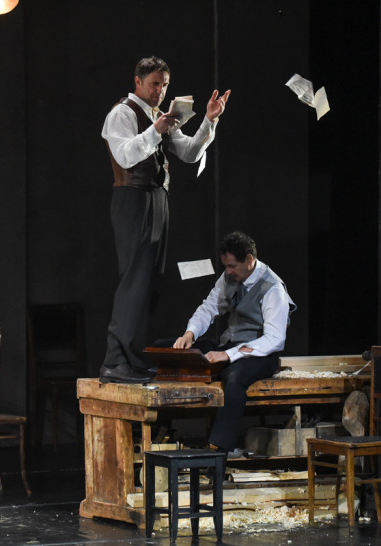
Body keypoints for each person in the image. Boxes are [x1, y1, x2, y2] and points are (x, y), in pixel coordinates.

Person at [99, 56, 231, 384]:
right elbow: (125, 155)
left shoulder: (157, 115)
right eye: (155, 84)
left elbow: (189, 153)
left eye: (165, 84)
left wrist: (209, 121)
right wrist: (155, 131)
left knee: (150, 284)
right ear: (138, 82)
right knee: (134, 281)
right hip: (133, 198)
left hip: (157, 198)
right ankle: (115, 362)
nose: (160, 90)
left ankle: (131, 360)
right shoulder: (122, 113)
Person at [173, 231, 296, 453]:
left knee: (235, 377)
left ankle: (218, 451)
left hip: (259, 354)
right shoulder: (230, 276)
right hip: (230, 346)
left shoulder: (272, 287)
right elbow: (210, 307)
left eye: (232, 266)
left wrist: (227, 355)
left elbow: (275, 339)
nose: (228, 271)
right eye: (226, 266)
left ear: (249, 260)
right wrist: (190, 334)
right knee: (175, 350)